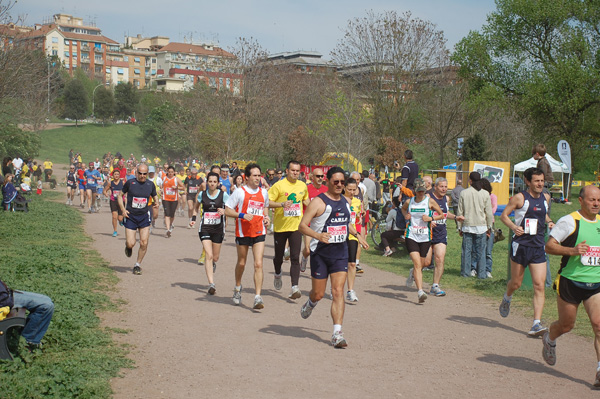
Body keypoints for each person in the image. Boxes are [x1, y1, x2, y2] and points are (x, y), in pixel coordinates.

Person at [298, 166, 369, 348]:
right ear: (328, 181)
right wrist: (318, 236)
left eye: (342, 182)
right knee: (319, 293)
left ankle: (337, 333)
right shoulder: (318, 202)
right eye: (335, 181)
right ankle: (311, 302)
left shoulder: (346, 202)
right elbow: (302, 226)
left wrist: (358, 235)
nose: (339, 185)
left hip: (340, 253)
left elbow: (346, 223)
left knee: (338, 291)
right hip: (320, 254)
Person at [542, 185, 600, 386]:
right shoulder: (569, 221)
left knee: (599, 324)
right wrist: (573, 251)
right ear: (581, 201)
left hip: (596, 284)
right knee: (567, 325)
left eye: (599, 200)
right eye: (592, 200)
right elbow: (549, 246)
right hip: (570, 282)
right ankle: (550, 338)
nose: (596, 204)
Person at [499, 167, 554, 336]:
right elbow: (504, 216)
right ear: (528, 181)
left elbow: (543, 214)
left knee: (539, 285)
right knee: (516, 283)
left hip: (538, 246)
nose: (540, 184)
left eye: (542, 181)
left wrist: (550, 221)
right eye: (536, 181)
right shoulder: (520, 198)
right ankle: (507, 297)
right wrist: (514, 227)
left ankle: (536, 323)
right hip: (521, 245)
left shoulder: (546, 197)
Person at [224, 163, 270, 309]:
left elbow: (265, 206)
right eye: (255, 175)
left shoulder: (264, 192)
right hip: (243, 232)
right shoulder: (240, 192)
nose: (258, 178)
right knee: (242, 262)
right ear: (247, 177)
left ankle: (258, 297)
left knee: (258, 263)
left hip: (259, 231)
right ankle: (237, 288)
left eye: (259, 175)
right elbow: (227, 210)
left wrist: (267, 217)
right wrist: (242, 215)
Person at [413, 177, 463, 296]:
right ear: (435, 187)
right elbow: (420, 212)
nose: (444, 189)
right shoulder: (428, 198)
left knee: (440, 258)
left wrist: (456, 217)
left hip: (441, 233)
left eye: (446, 187)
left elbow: (445, 214)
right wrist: (430, 221)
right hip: (428, 234)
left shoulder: (446, 198)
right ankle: (414, 271)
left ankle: (435, 286)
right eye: (441, 186)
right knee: (425, 262)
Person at [268, 160, 310, 300]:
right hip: (281, 227)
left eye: (298, 171)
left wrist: (315, 210)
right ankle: (278, 273)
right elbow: (267, 202)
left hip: (296, 226)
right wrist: (281, 204)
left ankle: (294, 287)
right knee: (279, 257)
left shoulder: (302, 185)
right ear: (287, 171)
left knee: (294, 257)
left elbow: (305, 201)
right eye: (293, 170)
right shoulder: (278, 185)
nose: (295, 173)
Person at [402, 178, 445, 303]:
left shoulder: (429, 201)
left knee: (422, 264)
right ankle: (420, 291)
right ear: (415, 191)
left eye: (422, 191)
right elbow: (403, 209)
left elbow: (441, 214)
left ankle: (412, 273)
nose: (421, 193)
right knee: (417, 264)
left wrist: (431, 218)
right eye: (418, 191)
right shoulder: (410, 202)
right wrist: (406, 216)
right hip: (411, 235)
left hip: (425, 237)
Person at [190, 172, 229, 295]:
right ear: (207, 182)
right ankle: (211, 284)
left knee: (215, 257)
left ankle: (212, 264)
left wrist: (225, 211)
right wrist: (193, 219)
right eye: (210, 181)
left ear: (218, 183)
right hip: (205, 228)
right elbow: (196, 208)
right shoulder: (202, 195)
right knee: (209, 254)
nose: (212, 184)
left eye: (214, 182)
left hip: (218, 229)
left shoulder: (224, 195)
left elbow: (231, 209)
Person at [118, 163, 159, 275]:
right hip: (131, 216)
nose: (142, 176)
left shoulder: (150, 185)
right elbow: (119, 195)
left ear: (147, 174)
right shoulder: (130, 183)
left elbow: (155, 195)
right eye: (140, 173)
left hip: (144, 217)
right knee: (131, 243)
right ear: (136, 173)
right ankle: (128, 247)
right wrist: (123, 209)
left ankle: (137, 265)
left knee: (144, 242)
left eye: (144, 174)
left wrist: (157, 202)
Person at [458, 172, 494, 279]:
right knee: (481, 251)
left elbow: (460, 211)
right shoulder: (485, 194)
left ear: (470, 181)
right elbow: (489, 212)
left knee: (467, 251)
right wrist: (489, 227)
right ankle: (482, 274)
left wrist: (459, 227)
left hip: (467, 225)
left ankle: (465, 273)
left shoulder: (464, 193)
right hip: (482, 226)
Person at [1, 279, 54, 352]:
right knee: (46, 306)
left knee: (46, 300)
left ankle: (26, 338)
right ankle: (27, 342)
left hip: (6, 294)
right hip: (4, 301)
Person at [301, 168, 328, 270]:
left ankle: (317, 270)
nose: (320, 178)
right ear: (312, 177)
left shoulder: (326, 190)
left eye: (322, 176)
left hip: (322, 224)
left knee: (320, 249)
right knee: (308, 249)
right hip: (309, 223)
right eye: (318, 176)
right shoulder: (306, 189)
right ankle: (304, 258)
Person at [472, 179, 497, 278]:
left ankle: (487, 269)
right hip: (478, 223)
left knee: (488, 249)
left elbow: (493, 210)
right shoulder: (477, 196)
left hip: (489, 224)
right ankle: (474, 268)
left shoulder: (492, 197)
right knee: (475, 247)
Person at [344, 177, 362, 302]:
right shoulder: (339, 200)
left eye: (354, 190)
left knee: (352, 263)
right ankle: (334, 286)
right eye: (349, 189)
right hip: (338, 235)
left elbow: (357, 216)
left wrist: (359, 219)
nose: (351, 192)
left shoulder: (357, 202)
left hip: (352, 235)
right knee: (337, 264)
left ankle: (350, 290)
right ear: (344, 188)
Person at [162, 166, 185, 237]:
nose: (170, 173)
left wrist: (177, 187)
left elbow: (183, 187)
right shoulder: (164, 178)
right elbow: (161, 186)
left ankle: (171, 224)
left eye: (172, 172)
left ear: (174, 172)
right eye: (169, 172)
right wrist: (161, 191)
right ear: (167, 172)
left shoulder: (176, 179)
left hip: (174, 199)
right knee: (167, 214)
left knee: (172, 214)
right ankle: (168, 230)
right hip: (165, 198)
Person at [108, 169, 124, 237]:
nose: (116, 176)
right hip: (113, 200)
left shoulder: (122, 183)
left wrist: (126, 196)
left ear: (119, 175)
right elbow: (105, 190)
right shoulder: (110, 183)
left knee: (120, 218)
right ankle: (115, 231)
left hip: (121, 201)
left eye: (117, 174)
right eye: (115, 174)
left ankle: (121, 220)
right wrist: (106, 193)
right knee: (114, 216)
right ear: (113, 175)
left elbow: (127, 190)